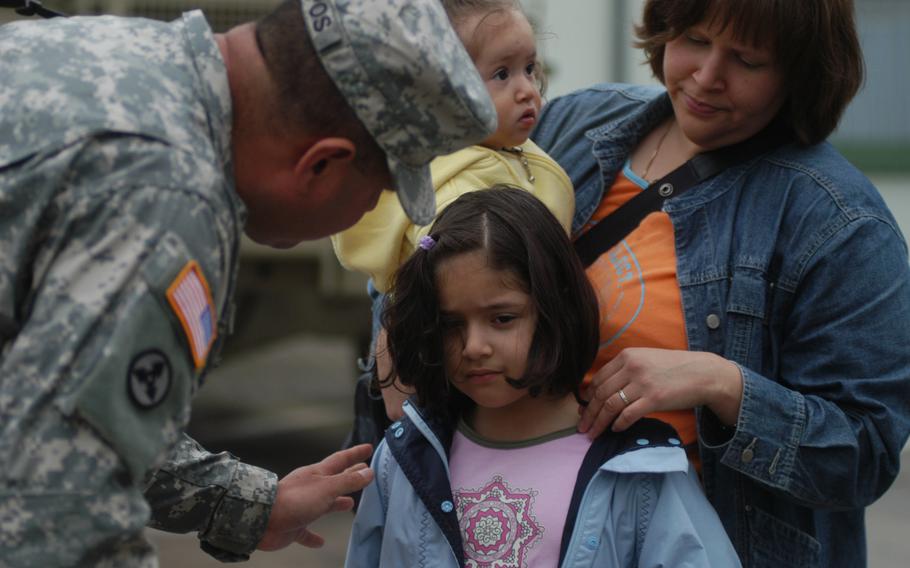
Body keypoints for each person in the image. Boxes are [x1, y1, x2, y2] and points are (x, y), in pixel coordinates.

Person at [0, 0, 497, 564]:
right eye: (380, 194)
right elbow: (59, 511)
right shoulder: (169, 194)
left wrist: (241, 503)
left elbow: (72, 417)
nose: (366, 215)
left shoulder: (120, 58)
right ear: (320, 164)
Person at [530, 0, 910, 566]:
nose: (707, 77)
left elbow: (864, 455)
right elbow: (442, 223)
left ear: (800, 72)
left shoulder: (841, 221)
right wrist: (397, 321)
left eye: (747, 60)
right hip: (534, 526)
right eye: (695, 39)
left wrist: (723, 384)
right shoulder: (574, 123)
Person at [344, 186, 741, 567]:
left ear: (557, 310)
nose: (473, 346)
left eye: (502, 319)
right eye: (450, 325)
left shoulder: (644, 468)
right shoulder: (402, 460)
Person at [331, 0, 574, 429]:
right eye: (502, 74)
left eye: (530, 68)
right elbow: (424, 284)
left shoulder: (507, 153)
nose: (527, 90)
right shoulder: (459, 188)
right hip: (462, 401)